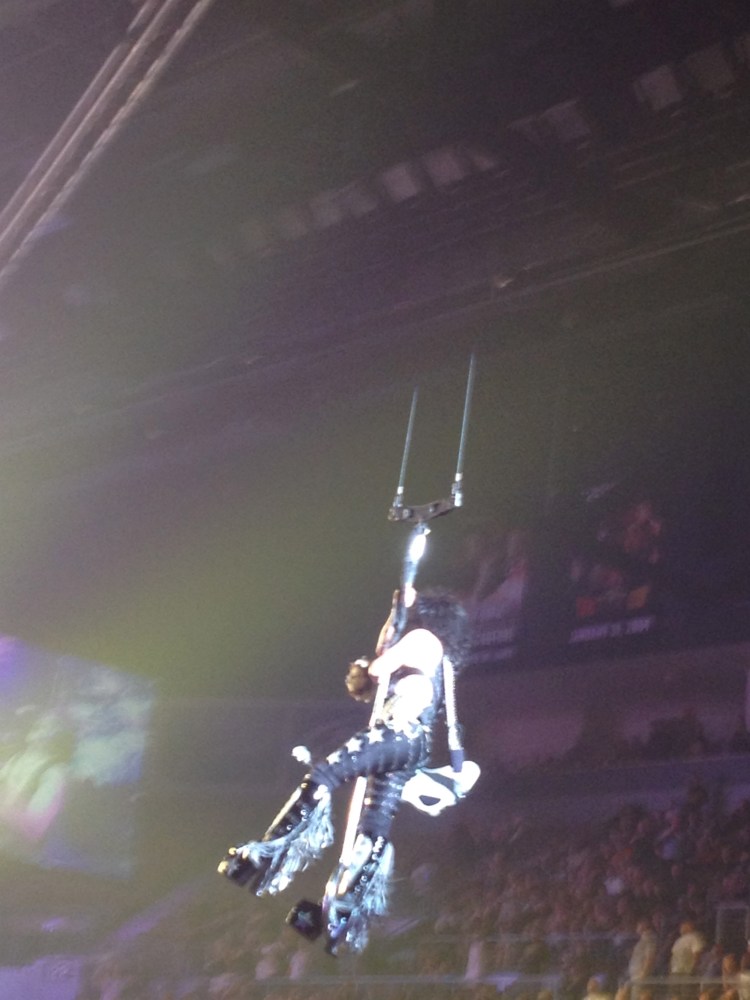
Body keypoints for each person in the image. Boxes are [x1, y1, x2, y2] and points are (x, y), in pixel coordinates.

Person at [218, 586, 471, 952]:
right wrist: (395, 613)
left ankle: (268, 854)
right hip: (411, 743)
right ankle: (347, 910)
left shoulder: (422, 638)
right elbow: (380, 671)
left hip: (398, 733)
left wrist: (396, 620)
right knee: (374, 822)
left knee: (326, 774)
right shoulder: (438, 653)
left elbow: (381, 665)